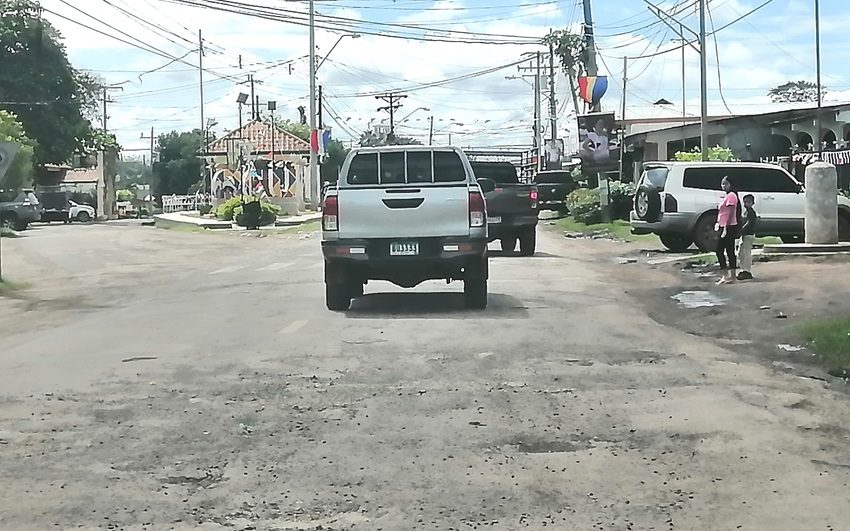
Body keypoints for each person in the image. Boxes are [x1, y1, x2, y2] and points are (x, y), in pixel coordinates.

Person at [715, 176, 740, 284]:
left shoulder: (731, 196)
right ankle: (728, 276)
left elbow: (730, 212)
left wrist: (726, 226)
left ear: (731, 184)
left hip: (729, 226)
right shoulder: (727, 196)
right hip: (723, 225)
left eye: (726, 184)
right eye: (722, 184)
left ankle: (729, 275)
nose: (723, 186)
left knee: (722, 250)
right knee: (727, 250)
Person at [737, 194, 758, 280]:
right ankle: (743, 269)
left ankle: (746, 271)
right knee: (741, 252)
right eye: (745, 202)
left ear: (753, 203)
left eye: (748, 202)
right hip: (744, 235)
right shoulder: (746, 212)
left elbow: (749, 223)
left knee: (746, 253)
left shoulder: (751, 213)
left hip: (748, 235)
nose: (746, 204)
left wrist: (742, 230)